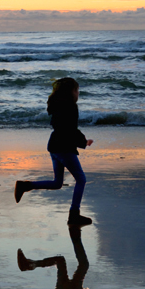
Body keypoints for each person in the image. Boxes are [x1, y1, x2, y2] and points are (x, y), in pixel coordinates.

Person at [14, 77, 93, 226]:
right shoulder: (70, 106)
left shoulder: (56, 105)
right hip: (64, 148)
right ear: (71, 92)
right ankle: (74, 215)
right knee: (81, 179)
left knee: (57, 183)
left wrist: (81, 140)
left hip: (54, 146)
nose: (78, 94)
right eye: (77, 90)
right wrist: (84, 142)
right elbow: (70, 130)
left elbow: (63, 128)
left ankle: (25, 186)